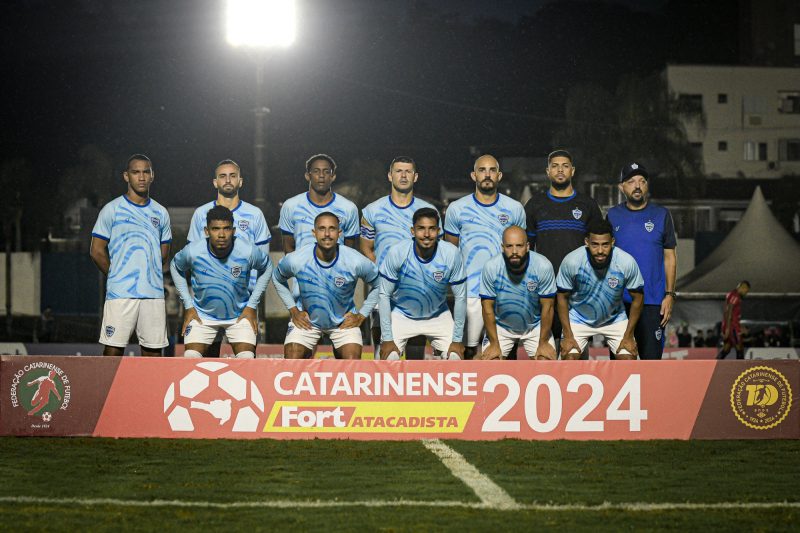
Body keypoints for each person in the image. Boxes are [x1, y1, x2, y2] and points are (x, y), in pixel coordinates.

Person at [187, 159, 272, 356]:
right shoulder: (201, 214)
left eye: (233, 176)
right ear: (215, 182)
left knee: (245, 360)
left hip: (244, 302)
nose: (228, 180)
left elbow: (264, 263)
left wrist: (252, 297)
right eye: (223, 176)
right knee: (206, 362)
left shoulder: (255, 214)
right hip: (208, 301)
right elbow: (193, 259)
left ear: (240, 181)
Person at [443, 154, 525, 358]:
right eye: (482, 170)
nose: (487, 175)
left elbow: (522, 251)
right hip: (469, 292)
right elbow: (450, 252)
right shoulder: (457, 209)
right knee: (470, 351)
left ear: (499, 175)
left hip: (504, 290)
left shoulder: (514, 208)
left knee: (504, 352)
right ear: (473, 175)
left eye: (492, 170)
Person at [90, 154, 171, 356]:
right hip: (120, 294)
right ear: (126, 176)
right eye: (136, 172)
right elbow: (96, 251)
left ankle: (149, 390)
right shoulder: (112, 209)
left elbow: (163, 253)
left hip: (153, 294)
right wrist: (116, 275)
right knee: (113, 351)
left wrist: (148, 272)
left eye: (146, 172)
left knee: (153, 354)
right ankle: (108, 390)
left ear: (152, 176)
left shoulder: (161, 212)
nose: (141, 177)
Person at [170, 206, 273, 359]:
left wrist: (252, 305)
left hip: (239, 315)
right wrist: (188, 305)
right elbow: (175, 266)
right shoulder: (193, 251)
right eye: (215, 229)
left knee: (247, 359)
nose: (221, 234)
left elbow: (267, 267)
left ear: (234, 230)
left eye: (226, 229)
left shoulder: (247, 251)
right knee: (190, 357)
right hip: (203, 315)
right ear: (206, 231)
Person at [273, 212, 379, 359]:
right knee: (292, 357)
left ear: (339, 233)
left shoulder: (355, 260)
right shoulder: (297, 259)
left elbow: (380, 284)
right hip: (308, 321)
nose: (327, 234)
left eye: (332, 229)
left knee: (352, 361)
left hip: (343, 323)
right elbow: (277, 278)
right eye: (322, 229)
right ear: (314, 233)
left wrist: (362, 315)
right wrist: (293, 310)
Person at [360, 156, 438, 355]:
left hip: (417, 290)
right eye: (398, 171)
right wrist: (381, 278)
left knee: (414, 354)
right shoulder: (372, 211)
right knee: (383, 353)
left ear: (416, 176)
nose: (403, 176)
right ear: (390, 175)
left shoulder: (428, 211)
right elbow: (366, 249)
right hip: (384, 291)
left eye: (408, 171)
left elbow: (438, 250)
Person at [524, 150, 603, 345]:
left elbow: (600, 247)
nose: (560, 170)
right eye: (555, 166)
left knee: (574, 351)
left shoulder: (588, 205)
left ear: (572, 171)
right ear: (548, 171)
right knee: (546, 351)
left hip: (578, 291)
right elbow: (527, 250)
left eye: (565, 166)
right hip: (546, 290)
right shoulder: (535, 205)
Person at [607, 162, 677, 360]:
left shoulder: (661, 214)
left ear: (647, 186)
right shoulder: (612, 215)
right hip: (620, 304)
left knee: (651, 363)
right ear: (622, 187)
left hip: (652, 302)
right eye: (631, 181)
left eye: (642, 181)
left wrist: (670, 295)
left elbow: (670, 257)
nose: (637, 186)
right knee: (620, 366)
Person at [379, 207, 467, 360]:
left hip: (438, 315)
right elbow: (383, 294)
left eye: (432, 229)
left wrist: (458, 340)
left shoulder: (451, 254)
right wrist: (387, 338)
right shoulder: (397, 252)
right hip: (401, 314)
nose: (426, 234)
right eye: (421, 229)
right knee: (389, 359)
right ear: (412, 231)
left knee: (456, 359)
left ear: (439, 231)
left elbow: (461, 297)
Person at [556, 218, 644, 360]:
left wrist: (628, 335)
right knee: (568, 361)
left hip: (614, 318)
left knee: (629, 363)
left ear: (613, 242)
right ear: (586, 242)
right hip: (578, 318)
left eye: (605, 245)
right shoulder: (572, 261)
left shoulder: (626, 262)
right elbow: (561, 297)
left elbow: (638, 298)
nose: (600, 251)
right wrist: (567, 335)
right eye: (595, 245)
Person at [479, 226, 557, 360]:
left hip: (534, 326)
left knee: (546, 362)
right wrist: (494, 343)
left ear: (527, 246)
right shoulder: (491, 267)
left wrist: (543, 342)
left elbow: (548, 307)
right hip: (501, 326)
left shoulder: (543, 266)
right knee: (491, 362)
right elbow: (487, 308)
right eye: (509, 246)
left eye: (519, 246)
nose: (514, 251)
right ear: (502, 247)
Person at [279, 154, 359, 253]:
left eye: (326, 172)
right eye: (316, 171)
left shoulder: (348, 208)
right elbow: (288, 248)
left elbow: (349, 251)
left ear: (333, 176)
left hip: (336, 268)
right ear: (308, 176)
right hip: (302, 268)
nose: (321, 175)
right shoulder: (291, 206)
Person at [717, 280, 750, 359]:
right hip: (732, 327)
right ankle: (740, 370)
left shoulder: (731, 294)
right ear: (742, 287)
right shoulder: (735, 296)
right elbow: (729, 311)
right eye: (746, 290)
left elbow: (729, 312)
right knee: (739, 348)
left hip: (730, 325)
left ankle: (713, 365)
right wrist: (728, 328)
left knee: (727, 348)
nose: (746, 293)